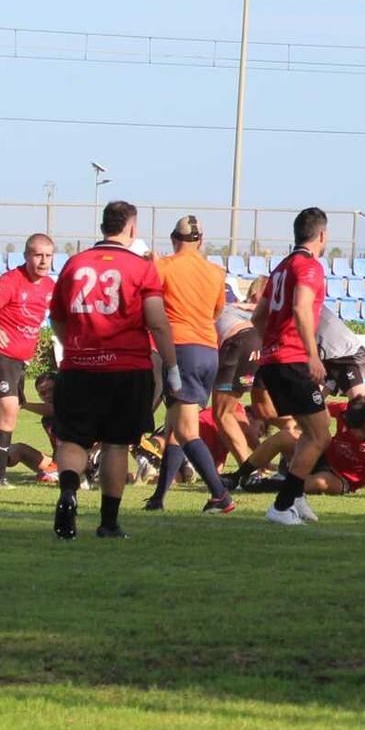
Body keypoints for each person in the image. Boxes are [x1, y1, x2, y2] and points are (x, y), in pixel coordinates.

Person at [49, 201, 180, 540]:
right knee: (116, 445)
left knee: (73, 439)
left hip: (79, 366)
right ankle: (108, 523)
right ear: (131, 228)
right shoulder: (141, 268)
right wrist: (171, 364)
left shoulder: (74, 264)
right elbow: (158, 322)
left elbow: (58, 318)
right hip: (126, 367)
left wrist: (75, 345)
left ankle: (68, 492)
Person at [143, 215, 233, 513]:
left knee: (185, 430)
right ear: (201, 241)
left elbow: (148, 301)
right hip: (209, 350)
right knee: (174, 427)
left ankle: (220, 494)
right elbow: (217, 310)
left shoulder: (165, 266)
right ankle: (158, 497)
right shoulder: (216, 272)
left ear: (173, 239)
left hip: (181, 350)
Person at [250, 206, 331, 525]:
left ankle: (296, 497)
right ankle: (282, 505)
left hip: (273, 361)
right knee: (320, 435)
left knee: (310, 430)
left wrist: (265, 347)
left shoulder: (281, 267)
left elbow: (258, 317)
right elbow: (300, 308)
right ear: (322, 235)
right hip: (293, 359)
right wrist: (312, 354)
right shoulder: (308, 267)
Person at [0, 233, 55, 489]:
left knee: (5, 412)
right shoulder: (11, 280)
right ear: (26, 256)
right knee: (8, 408)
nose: (43, 261)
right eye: (37, 255)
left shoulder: (49, 286)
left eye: (48, 256)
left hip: (19, 361)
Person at [225, 396, 365, 498]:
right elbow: (317, 409)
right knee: (284, 437)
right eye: (349, 427)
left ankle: (263, 485)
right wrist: (298, 425)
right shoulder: (347, 411)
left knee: (320, 482)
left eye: (357, 430)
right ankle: (236, 477)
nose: (352, 432)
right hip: (323, 456)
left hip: (341, 479)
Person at [0, 372, 60, 483]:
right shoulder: (46, 419)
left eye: (52, 390)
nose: (48, 395)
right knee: (19, 449)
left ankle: (57, 474)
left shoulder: (70, 406)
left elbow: (54, 410)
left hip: (79, 462)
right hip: (59, 463)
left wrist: (23, 404)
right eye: (43, 393)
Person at [211, 276, 265, 466]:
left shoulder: (215, 308)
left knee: (221, 413)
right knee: (233, 409)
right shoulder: (239, 307)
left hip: (238, 343)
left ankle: (247, 469)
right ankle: (261, 461)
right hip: (257, 347)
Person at [318, 305, 365, 399]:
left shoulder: (303, 303)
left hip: (350, 354)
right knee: (308, 406)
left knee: (362, 405)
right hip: (324, 358)